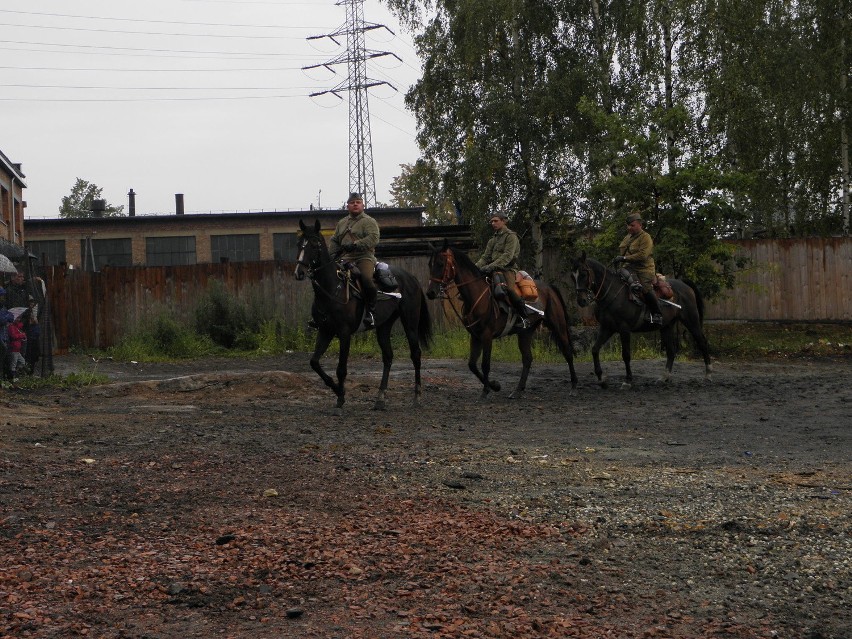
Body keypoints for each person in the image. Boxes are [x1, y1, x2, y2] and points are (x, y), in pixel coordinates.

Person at [329, 192, 381, 328]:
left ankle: (370, 312)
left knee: (366, 279)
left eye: (358, 202)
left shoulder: (369, 221)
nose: (355, 204)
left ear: (363, 205)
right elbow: (334, 239)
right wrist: (332, 254)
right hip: (345, 259)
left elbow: (373, 238)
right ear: (348, 206)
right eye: (352, 203)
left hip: (364, 257)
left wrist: (355, 244)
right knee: (328, 279)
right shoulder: (342, 223)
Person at [475, 210, 529, 327]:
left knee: (509, 290)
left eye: (496, 221)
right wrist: (475, 268)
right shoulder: (492, 240)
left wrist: (489, 267)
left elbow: (507, 257)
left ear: (504, 221)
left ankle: (524, 317)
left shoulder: (511, 237)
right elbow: (485, 257)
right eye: (491, 221)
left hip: (508, 269)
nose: (493, 223)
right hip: (493, 269)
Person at [614, 211, 663, 324]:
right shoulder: (627, 238)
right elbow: (623, 251)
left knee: (644, 287)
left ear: (640, 225)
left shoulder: (646, 237)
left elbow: (643, 255)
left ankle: (657, 314)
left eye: (632, 225)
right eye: (628, 225)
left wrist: (624, 258)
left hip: (644, 269)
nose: (629, 228)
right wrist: (619, 260)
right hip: (629, 267)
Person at [22, 297, 41, 374]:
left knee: (35, 354)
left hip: (35, 334)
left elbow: (36, 322)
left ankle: (31, 370)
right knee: (29, 354)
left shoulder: (35, 311)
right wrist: (31, 321)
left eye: (33, 302)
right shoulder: (26, 311)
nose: (32, 304)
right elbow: (27, 323)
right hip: (29, 335)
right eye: (30, 302)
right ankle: (28, 371)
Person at [7, 315, 27, 380]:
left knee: (22, 362)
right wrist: (22, 335)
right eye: (17, 318)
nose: (19, 319)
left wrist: (22, 336)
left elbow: (20, 327)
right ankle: (12, 378)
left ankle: (15, 373)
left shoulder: (16, 327)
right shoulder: (11, 326)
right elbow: (13, 336)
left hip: (17, 349)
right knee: (13, 364)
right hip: (13, 348)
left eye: (19, 318)